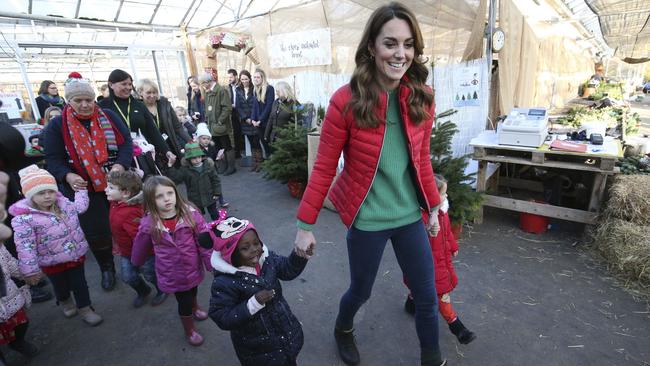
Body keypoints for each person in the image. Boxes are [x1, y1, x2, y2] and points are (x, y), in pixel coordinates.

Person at [293, 3, 446, 366]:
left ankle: (433, 358)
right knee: (361, 290)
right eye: (390, 43)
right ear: (372, 47)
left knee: (427, 294)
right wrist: (305, 225)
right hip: (368, 221)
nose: (400, 53)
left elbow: (421, 159)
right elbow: (324, 167)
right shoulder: (346, 101)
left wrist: (435, 204)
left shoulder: (421, 96)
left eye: (408, 45)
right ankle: (343, 328)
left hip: (409, 216)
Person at [44, 74, 133, 291]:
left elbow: (126, 143)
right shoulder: (57, 125)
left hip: (116, 182)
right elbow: (54, 159)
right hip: (85, 189)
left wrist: (120, 164)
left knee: (129, 221)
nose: (84, 105)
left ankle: (138, 261)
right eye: (78, 100)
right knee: (97, 231)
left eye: (88, 100)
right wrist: (68, 175)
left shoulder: (109, 116)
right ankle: (107, 268)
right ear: (68, 101)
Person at [206, 216, 308, 366]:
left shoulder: (267, 259)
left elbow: (287, 270)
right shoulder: (224, 282)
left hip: (286, 331)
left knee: (289, 360)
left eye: (256, 243)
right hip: (258, 350)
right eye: (245, 248)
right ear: (230, 254)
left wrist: (300, 255)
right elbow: (221, 316)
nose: (254, 250)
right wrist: (253, 303)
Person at [9, 165, 103, 326]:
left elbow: (79, 207)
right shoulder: (24, 219)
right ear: (29, 195)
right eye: (41, 193)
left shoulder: (63, 204)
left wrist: (81, 191)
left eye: (51, 191)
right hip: (51, 261)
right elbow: (25, 246)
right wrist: (30, 270)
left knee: (80, 284)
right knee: (60, 286)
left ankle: (85, 308)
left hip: (74, 255)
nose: (48, 196)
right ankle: (65, 300)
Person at [131, 175, 214, 346]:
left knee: (193, 291)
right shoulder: (149, 223)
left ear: (176, 193)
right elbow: (140, 245)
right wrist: (136, 262)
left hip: (192, 266)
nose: (166, 199)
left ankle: (195, 307)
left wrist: (210, 262)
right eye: (159, 196)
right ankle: (189, 329)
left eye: (169, 193)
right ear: (150, 200)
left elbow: (203, 240)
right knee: (183, 300)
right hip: (171, 272)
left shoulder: (191, 214)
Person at [404, 175, 476, 345]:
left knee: (421, 288)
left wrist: (453, 246)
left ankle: (411, 303)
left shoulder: (441, 213)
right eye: (444, 193)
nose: (447, 196)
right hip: (428, 263)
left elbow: (447, 233)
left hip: (441, 259)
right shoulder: (420, 219)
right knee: (441, 293)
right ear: (432, 196)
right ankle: (457, 327)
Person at [106, 170, 167, 308]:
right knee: (127, 277)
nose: (106, 190)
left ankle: (162, 289)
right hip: (126, 251)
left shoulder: (132, 211)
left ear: (125, 193)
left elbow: (140, 237)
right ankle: (143, 291)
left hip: (143, 253)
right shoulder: (116, 203)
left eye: (110, 188)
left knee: (150, 273)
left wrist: (140, 256)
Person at [98, 69, 176, 168]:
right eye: (124, 84)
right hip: (119, 158)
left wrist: (166, 151)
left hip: (143, 154)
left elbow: (152, 130)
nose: (128, 87)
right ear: (111, 84)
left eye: (130, 84)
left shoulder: (138, 105)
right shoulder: (102, 107)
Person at [0, 243, 38, 360]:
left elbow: (10, 263)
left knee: (21, 323)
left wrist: (27, 274)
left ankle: (17, 342)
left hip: (9, 297)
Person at [166, 142, 223, 220]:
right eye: (194, 158)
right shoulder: (185, 170)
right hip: (195, 199)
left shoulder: (208, 165)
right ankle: (202, 229)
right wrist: (170, 167)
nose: (197, 160)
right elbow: (176, 179)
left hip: (210, 195)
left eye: (199, 157)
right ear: (188, 159)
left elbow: (215, 180)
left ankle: (219, 226)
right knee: (198, 216)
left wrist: (217, 192)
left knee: (214, 213)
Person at [136, 79, 191, 159]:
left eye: (154, 92)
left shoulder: (164, 104)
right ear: (140, 92)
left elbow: (178, 127)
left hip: (170, 143)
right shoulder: (138, 107)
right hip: (151, 147)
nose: (152, 95)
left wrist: (190, 141)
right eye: (148, 92)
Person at [200, 73, 235, 175]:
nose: (202, 86)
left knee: (226, 145)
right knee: (218, 146)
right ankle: (223, 164)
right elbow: (207, 108)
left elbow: (227, 108)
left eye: (202, 83)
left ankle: (231, 167)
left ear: (208, 82)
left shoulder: (221, 90)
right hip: (212, 125)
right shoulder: (208, 92)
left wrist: (220, 120)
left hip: (221, 125)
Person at [195, 123, 229, 208]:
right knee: (208, 187)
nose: (206, 140)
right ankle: (211, 203)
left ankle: (221, 200)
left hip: (213, 169)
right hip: (204, 171)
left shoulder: (211, 146)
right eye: (203, 138)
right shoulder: (197, 149)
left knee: (216, 184)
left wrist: (219, 155)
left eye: (208, 138)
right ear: (199, 139)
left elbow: (214, 155)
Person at [235, 70, 262, 172]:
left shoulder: (254, 88)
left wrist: (253, 118)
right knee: (251, 142)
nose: (244, 81)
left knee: (256, 142)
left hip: (254, 119)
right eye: (242, 79)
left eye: (246, 79)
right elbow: (238, 106)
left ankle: (260, 163)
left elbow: (257, 105)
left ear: (249, 78)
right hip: (245, 121)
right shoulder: (238, 90)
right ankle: (254, 163)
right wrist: (245, 118)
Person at [250, 69, 275, 160]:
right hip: (258, 123)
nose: (256, 79)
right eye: (254, 77)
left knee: (269, 143)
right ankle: (269, 163)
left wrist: (260, 120)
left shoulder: (269, 88)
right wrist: (253, 119)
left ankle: (273, 163)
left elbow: (269, 106)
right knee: (264, 144)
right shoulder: (255, 89)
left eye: (258, 77)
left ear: (262, 78)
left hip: (266, 122)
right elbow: (254, 107)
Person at [227, 69, 244, 158]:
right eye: (228, 77)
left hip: (242, 111)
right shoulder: (228, 87)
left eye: (231, 77)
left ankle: (245, 151)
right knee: (236, 132)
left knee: (244, 131)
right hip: (233, 112)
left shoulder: (242, 85)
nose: (229, 79)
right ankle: (238, 152)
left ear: (236, 76)